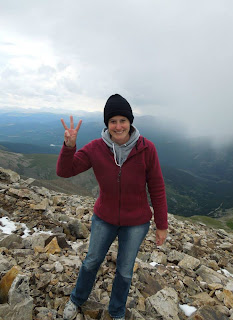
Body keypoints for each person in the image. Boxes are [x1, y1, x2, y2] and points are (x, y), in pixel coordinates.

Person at [56, 94, 168, 320]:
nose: (118, 126)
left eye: (122, 120)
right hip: (104, 218)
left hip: (136, 222)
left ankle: (116, 312)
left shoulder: (147, 148)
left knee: (125, 271)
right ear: (107, 124)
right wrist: (69, 147)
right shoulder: (96, 148)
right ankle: (77, 299)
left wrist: (161, 225)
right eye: (113, 121)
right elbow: (64, 171)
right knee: (91, 262)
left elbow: (157, 187)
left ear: (130, 122)